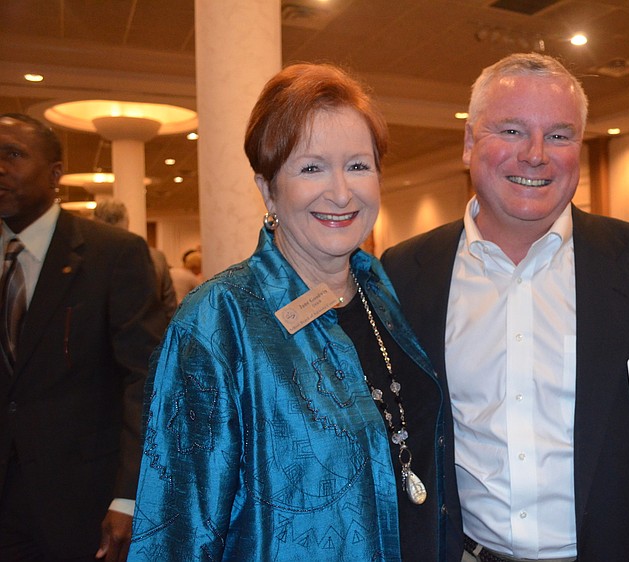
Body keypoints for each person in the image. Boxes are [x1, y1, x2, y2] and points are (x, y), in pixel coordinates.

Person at [382, 53, 629, 561]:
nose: (536, 154)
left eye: (559, 135)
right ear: (469, 143)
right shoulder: (407, 272)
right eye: (512, 130)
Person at [128, 63, 461, 561]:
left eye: (358, 165)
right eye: (311, 168)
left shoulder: (381, 290)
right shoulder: (219, 320)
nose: (342, 192)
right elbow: (177, 533)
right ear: (267, 189)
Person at [0, 113, 167, 561]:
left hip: (78, 504)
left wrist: (129, 496)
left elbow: (144, 378)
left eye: (12, 154)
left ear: (56, 173)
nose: (0, 167)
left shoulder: (112, 254)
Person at [93, 198, 178, 321]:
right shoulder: (155, 256)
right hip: (148, 332)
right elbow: (169, 306)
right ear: (127, 222)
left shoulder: (88, 257)